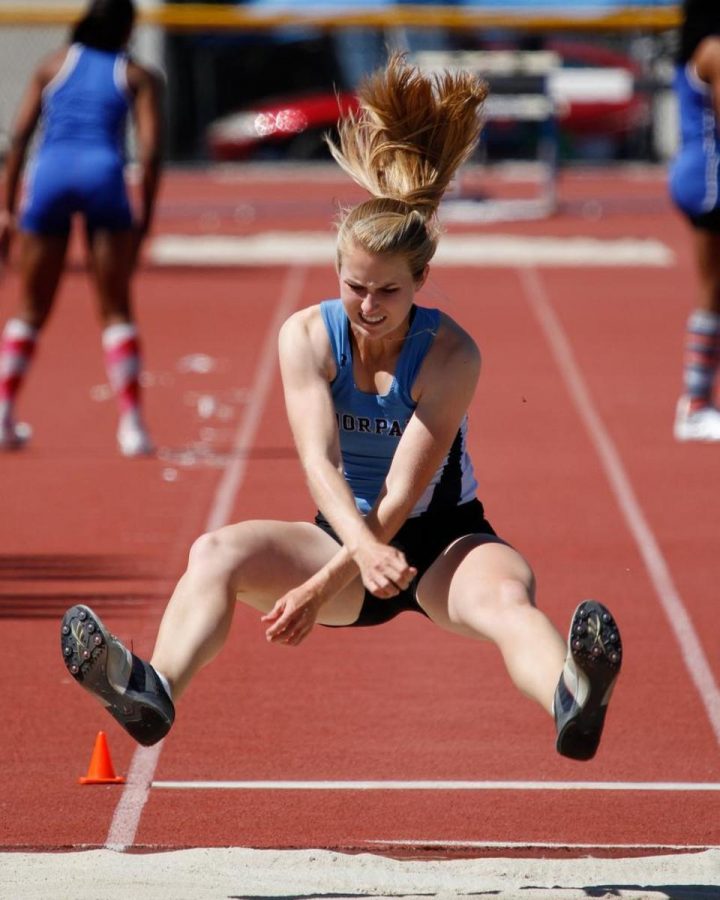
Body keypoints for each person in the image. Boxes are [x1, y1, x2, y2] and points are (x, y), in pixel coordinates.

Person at [60, 54, 622, 761]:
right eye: (355, 286)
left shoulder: (452, 354)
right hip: (342, 536)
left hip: (444, 544)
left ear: (421, 281)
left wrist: (324, 584)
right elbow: (317, 460)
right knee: (216, 552)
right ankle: (152, 687)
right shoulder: (306, 336)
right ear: (338, 272)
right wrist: (347, 560)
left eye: (387, 292)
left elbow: (404, 490)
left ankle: (573, 694)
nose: (368, 306)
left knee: (508, 599)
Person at [0, 0, 163, 455]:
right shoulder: (136, 75)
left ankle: (4, 412)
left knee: (31, 307)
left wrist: (6, 211)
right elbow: (149, 153)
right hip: (103, 177)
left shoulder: (52, 65)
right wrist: (145, 218)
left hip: (48, 174)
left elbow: (18, 139)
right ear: (128, 29)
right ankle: (131, 426)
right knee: (115, 310)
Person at [669, 0, 720, 441]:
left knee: (713, 291)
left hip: (698, 171)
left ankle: (698, 399)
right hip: (710, 178)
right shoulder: (716, 51)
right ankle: (696, 402)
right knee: (711, 290)